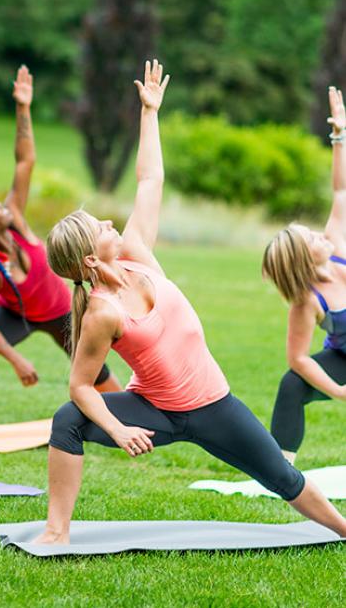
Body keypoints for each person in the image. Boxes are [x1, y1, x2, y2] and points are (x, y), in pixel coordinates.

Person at [34, 60, 346, 544]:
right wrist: (118, 430)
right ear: (91, 260)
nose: (110, 224)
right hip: (155, 411)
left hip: (215, 406)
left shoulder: (138, 254)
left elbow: (149, 182)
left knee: (283, 479)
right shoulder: (102, 312)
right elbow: (80, 387)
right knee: (66, 421)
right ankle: (56, 532)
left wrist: (150, 113)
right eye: (100, 227)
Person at [0, 65, 121, 442]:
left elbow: (25, 162)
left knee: (94, 369)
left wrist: (23, 108)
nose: (1, 204)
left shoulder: (17, 220)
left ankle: (125, 422)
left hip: (60, 309)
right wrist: (15, 358)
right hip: (18, 316)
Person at [262, 86, 346, 464]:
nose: (319, 233)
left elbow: (341, 191)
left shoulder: (338, 250)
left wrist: (339, 136)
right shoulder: (307, 301)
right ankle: (282, 470)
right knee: (292, 385)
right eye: (310, 237)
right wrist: (341, 393)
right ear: (301, 260)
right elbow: (299, 359)